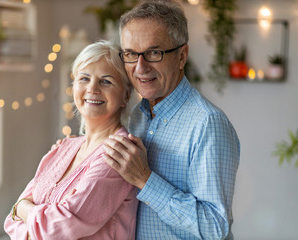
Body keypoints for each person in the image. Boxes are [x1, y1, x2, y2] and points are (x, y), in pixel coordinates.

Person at [102, 0, 241, 239]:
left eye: (153, 53)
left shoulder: (208, 124)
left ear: (181, 56)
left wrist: (145, 180)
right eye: (130, 54)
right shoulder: (137, 115)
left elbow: (215, 228)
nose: (139, 67)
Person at [4, 40, 138, 240]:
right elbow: (10, 221)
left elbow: (57, 228)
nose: (92, 88)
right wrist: (27, 217)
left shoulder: (117, 154)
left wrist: (23, 208)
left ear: (126, 95)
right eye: (84, 78)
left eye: (106, 81)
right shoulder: (65, 146)